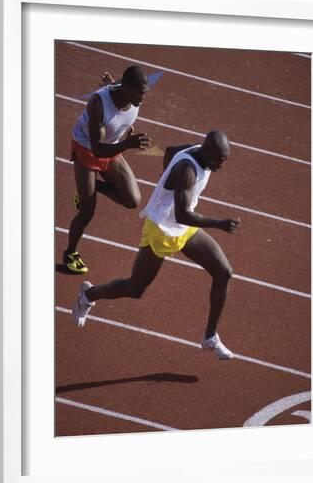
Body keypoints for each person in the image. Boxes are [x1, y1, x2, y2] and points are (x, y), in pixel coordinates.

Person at [71, 130, 241, 359]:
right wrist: (218, 223)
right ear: (208, 151)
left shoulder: (197, 150)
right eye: (221, 158)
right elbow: (182, 215)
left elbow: (170, 150)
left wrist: (165, 176)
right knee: (134, 288)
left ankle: (210, 338)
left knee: (223, 272)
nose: (223, 163)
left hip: (183, 227)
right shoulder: (188, 171)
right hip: (161, 228)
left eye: (226, 158)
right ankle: (88, 295)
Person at [63, 65, 151, 274]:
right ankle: (69, 254)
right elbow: (97, 149)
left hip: (111, 149)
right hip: (88, 149)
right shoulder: (98, 104)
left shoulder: (129, 95)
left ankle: (90, 190)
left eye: (145, 92)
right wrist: (127, 145)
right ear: (127, 87)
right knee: (87, 212)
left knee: (132, 200)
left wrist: (110, 84)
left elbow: (117, 87)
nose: (143, 97)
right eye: (140, 91)